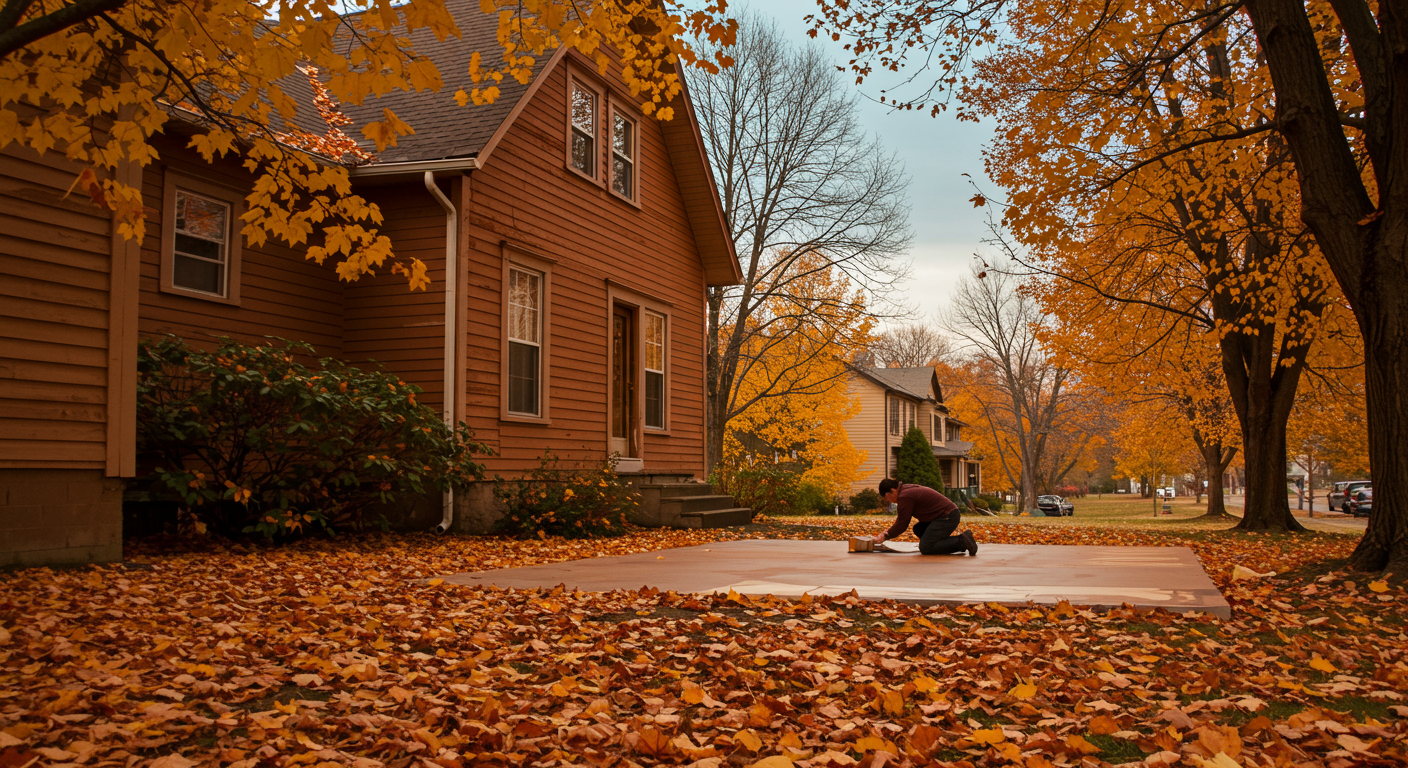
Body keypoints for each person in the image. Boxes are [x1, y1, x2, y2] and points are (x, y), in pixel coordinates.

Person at [875, 478, 977, 556]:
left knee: (926, 548)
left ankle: (962, 541)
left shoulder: (904, 496)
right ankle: (943, 544)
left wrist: (886, 536)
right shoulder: (905, 489)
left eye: (887, 497)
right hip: (945, 515)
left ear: (892, 491)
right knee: (918, 529)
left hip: (946, 516)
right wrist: (889, 533)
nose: (888, 500)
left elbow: (902, 522)